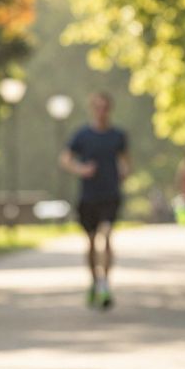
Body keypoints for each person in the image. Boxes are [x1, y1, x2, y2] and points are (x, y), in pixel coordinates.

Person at [60, 92, 129, 309]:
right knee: (91, 242)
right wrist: (80, 169)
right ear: (93, 109)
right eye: (98, 107)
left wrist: (124, 171)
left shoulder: (118, 135)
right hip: (89, 195)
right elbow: (65, 159)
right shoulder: (82, 135)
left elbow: (126, 161)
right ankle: (93, 280)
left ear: (109, 109)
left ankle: (104, 284)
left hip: (110, 194)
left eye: (105, 107)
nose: (101, 111)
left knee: (107, 236)